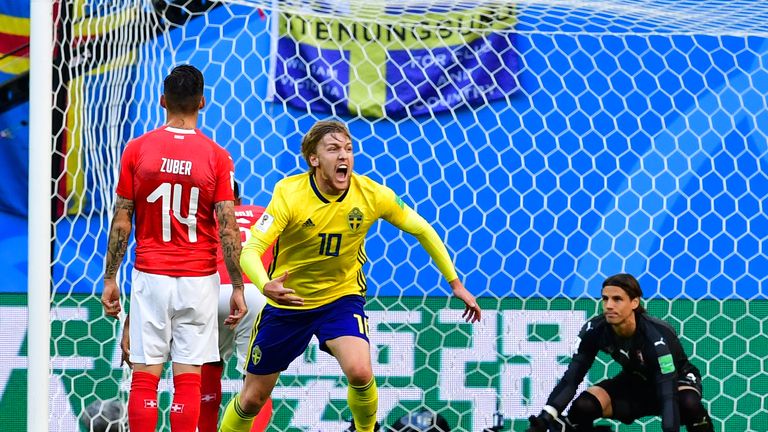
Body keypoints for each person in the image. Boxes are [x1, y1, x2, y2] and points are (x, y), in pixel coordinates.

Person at [218, 120, 482, 432]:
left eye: (348, 149)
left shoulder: (371, 194)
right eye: (333, 149)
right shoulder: (289, 194)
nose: (344, 156)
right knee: (252, 399)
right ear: (314, 159)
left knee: (359, 371)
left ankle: (365, 430)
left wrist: (456, 283)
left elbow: (422, 229)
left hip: (340, 300)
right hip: (289, 305)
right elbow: (251, 250)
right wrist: (265, 285)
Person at [101, 64, 247, 432]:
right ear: (202, 102)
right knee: (188, 379)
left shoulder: (137, 150)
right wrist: (238, 286)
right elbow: (228, 227)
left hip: (150, 276)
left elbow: (122, 220)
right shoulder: (217, 156)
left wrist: (110, 278)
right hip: (198, 278)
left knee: (145, 378)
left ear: (162, 100)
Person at [118, 181, 273, 432]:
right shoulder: (261, 213)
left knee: (207, 371)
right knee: (255, 386)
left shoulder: (195, 219)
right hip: (252, 293)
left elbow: (169, 262)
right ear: (238, 199)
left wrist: (132, 318)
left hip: (206, 292)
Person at [526, 273, 714, 432]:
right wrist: (546, 417)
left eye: (617, 299)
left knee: (689, 403)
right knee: (584, 405)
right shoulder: (595, 330)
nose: (609, 305)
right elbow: (572, 379)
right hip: (636, 381)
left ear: (634, 302)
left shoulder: (657, 337)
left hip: (675, 382)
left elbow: (667, 393)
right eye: (605, 299)